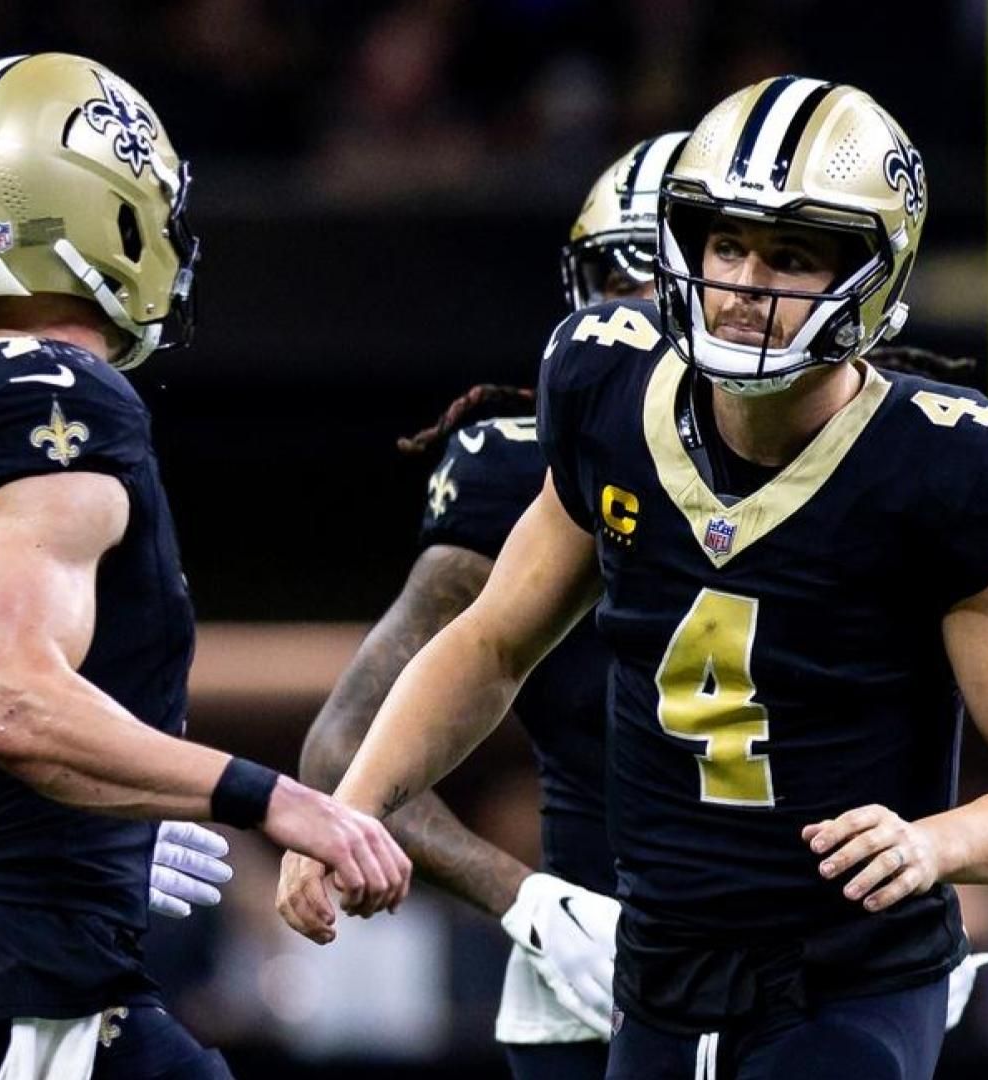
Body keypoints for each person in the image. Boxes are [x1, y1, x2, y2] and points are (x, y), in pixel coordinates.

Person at [277, 76, 988, 1080]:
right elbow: (491, 645)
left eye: (792, 255)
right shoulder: (605, 390)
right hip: (659, 964)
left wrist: (938, 844)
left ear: (875, 276)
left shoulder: (943, 469)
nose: (747, 283)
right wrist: (350, 811)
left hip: (845, 972)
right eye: (726, 245)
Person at [0, 53, 409, 1080]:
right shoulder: (65, 394)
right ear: (107, 213)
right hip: (26, 1000)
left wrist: (76, 830)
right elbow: (11, 705)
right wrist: (275, 800)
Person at [282, 132, 690, 1080]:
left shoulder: (866, 453)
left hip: (810, 960)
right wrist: (534, 904)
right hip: (603, 953)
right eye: (610, 281)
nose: (627, 321)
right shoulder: (520, 470)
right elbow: (345, 747)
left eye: (653, 283)